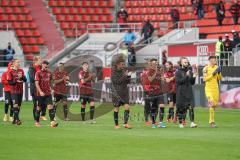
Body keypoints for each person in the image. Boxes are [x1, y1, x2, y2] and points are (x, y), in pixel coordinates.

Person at [141, 58, 164, 128]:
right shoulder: (146, 71)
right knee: (147, 106)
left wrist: (162, 74)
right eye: (154, 63)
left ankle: (154, 121)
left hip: (158, 91)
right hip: (148, 91)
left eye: (156, 63)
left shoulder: (158, 71)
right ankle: (147, 120)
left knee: (157, 106)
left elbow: (162, 81)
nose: (156, 64)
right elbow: (146, 81)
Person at [175, 57, 197, 128]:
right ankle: (180, 123)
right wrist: (186, 76)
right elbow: (178, 82)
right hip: (181, 92)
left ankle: (192, 123)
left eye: (187, 62)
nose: (186, 63)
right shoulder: (178, 72)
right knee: (181, 109)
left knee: (191, 107)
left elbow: (192, 83)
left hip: (189, 91)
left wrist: (194, 76)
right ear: (181, 63)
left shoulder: (189, 71)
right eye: (185, 62)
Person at [35, 60, 58, 127]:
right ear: (42, 65)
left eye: (47, 66)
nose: (46, 67)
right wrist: (40, 91)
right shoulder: (38, 73)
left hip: (48, 93)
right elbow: (36, 83)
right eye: (45, 66)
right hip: (40, 94)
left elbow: (51, 82)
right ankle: (37, 122)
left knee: (50, 107)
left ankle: (52, 122)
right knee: (39, 108)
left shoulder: (49, 73)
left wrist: (52, 89)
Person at [111, 54, 132, 129]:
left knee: (127, 107)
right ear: (117, 64)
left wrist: (129, 76)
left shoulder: (123, 71)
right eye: (122, 64)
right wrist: (124, 75)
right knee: (117, 108)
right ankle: (116, 125)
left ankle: (125, 123)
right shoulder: (113, 72)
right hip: (116, 93)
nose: (123, 65)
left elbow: (127, 82)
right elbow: (117, 82)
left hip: (124, 92)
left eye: (124, 64)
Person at [203, 56, 222, 128]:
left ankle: (212, 121)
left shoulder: (217, 67)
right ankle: (211, 122)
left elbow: (220, 78)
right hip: (208, 88)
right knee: (212, 103)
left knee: (214, 106)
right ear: (210, 61)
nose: (214, 61)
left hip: (215, 89)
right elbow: (205, 79)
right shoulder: (206, 68)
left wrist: (219, 72)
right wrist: (213, 74)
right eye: (213, 60)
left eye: (215, 60)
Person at [7, 59, 27, 125]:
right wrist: (16, 81)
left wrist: (22, 77)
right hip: (13, 91)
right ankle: (17, 120)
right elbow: (9, 82)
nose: (19, 63)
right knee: (15, 105)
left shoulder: (21, 71)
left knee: (18, 106)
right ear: (14, 63)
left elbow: (25, 80)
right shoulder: (10, 72)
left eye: (19, 62)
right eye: (18, 62)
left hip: (20, 91)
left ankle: (14, 120)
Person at [28, 56, 47, 121]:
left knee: (44, 103)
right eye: (40, 59)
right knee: (36, 104)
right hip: (34, 89)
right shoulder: (31, 68)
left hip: (42, 88)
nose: (41, 61)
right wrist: (42, 79)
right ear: (35, 61)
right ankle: (35, 118)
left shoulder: (41, 68)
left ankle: (42, 115)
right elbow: (33, 78)